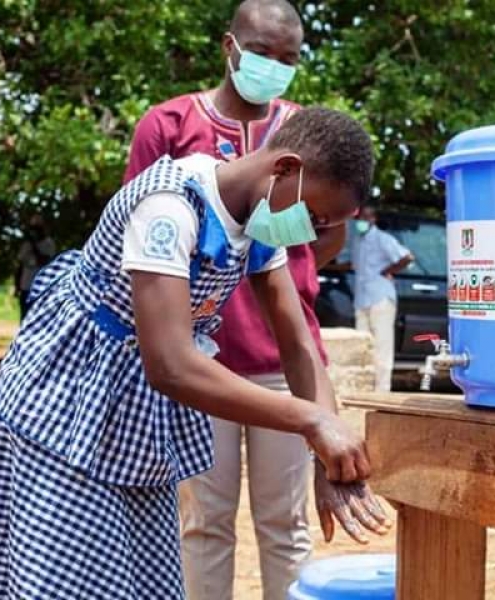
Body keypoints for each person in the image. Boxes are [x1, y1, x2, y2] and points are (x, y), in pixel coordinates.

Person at [0, 107, 390, 600]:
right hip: (69, 405)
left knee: (142, 579)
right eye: (311, 215)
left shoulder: (259, 226)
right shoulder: (170, 206)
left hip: (139, 425)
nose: (310, 232)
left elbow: (297, 345)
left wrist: (325, 454)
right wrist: (312, 422)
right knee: (69, 579)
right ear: (285, 168)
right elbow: (171, 366)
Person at [123, 3, 347, 598]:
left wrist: (280, 272)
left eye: (290, 58)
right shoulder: (168, 128)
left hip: (284, 356)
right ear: (230, 47)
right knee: (203, 523)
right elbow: (143, 252)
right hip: (203, 365)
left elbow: (333, 232)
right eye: (263, 52)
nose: (275, 66)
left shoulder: (308, 136)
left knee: (287, 523)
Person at [351, 206, 413, 392]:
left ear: (373, 219)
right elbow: (354, 266)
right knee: (363, 345)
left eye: (366, 217)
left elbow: (407, 257)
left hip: (380, 298)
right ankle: (365, 388)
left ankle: (382, 391)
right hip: (362, 299)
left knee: (382, 346)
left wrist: (388, 271)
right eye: (360, 217)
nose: (362, 220)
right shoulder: (358, 241)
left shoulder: (382, 239)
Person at [15, 214, 56, 319]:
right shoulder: (26, 244)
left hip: (41, 288)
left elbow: (44, 260)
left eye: (37, 228)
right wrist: (17, 285)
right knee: (24, 318)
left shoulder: (48, 243)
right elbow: (20, 265)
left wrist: (34, 245)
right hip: (26, 287)